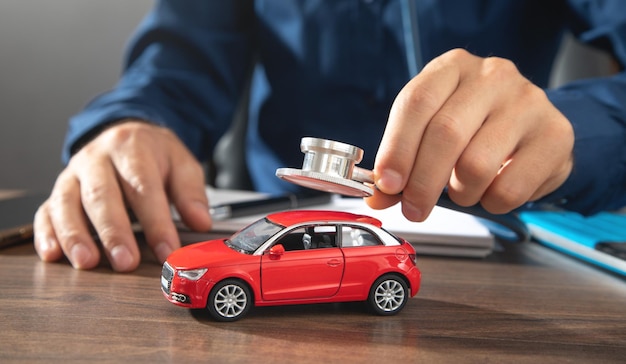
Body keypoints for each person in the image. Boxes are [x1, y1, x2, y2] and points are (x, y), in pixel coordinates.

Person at [33, 1, 626, 272]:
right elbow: (177, 64)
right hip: (281, 224)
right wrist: (131, 123)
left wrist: (572, 131)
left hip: (504, 255)